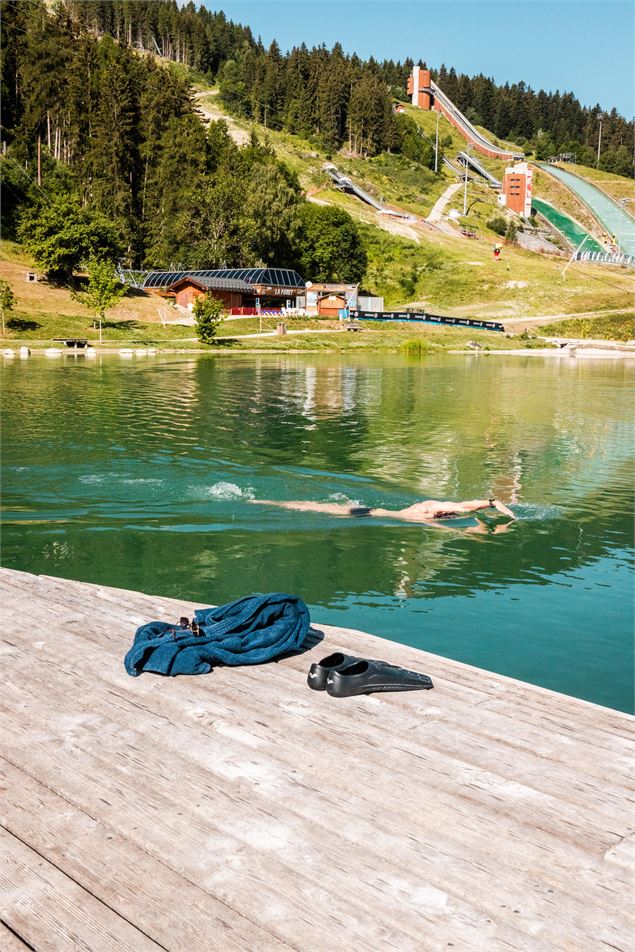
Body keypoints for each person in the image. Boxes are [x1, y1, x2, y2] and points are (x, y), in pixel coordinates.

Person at [251, 496, 515, 525]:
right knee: (313, 508)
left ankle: (265, 502)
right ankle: (264, 503)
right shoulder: (427, 514)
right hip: (371, 513)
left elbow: (468, 505)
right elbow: (465, 509)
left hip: (373, 510)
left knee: (313, 507)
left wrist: (494, 504)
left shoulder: (429, 509)